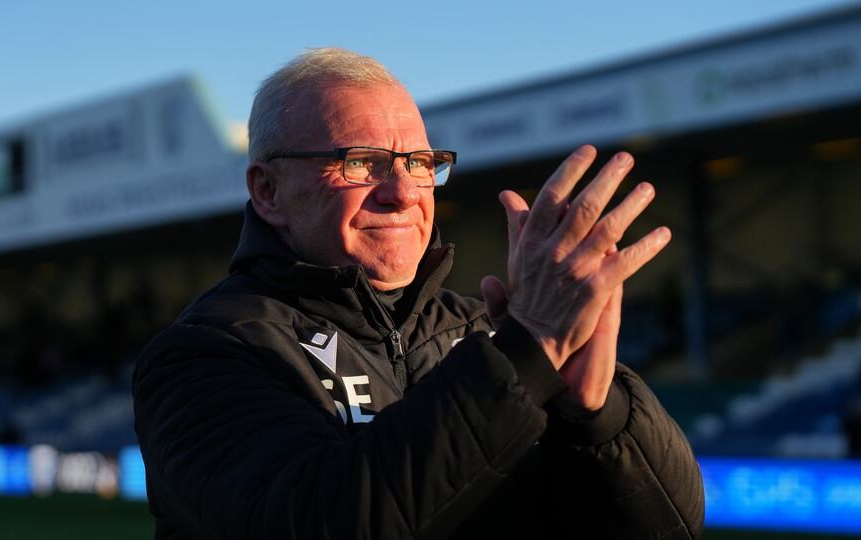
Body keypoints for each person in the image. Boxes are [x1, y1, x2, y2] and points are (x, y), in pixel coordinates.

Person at [133, 47, 705, 539]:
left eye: (420, 163)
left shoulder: (488, 334)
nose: (405, 192)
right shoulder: (204, 354)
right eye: (361, 163)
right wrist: (526, 352)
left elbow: (673, 528)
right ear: (268, 191)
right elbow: (317, 520)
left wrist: (597, 414)